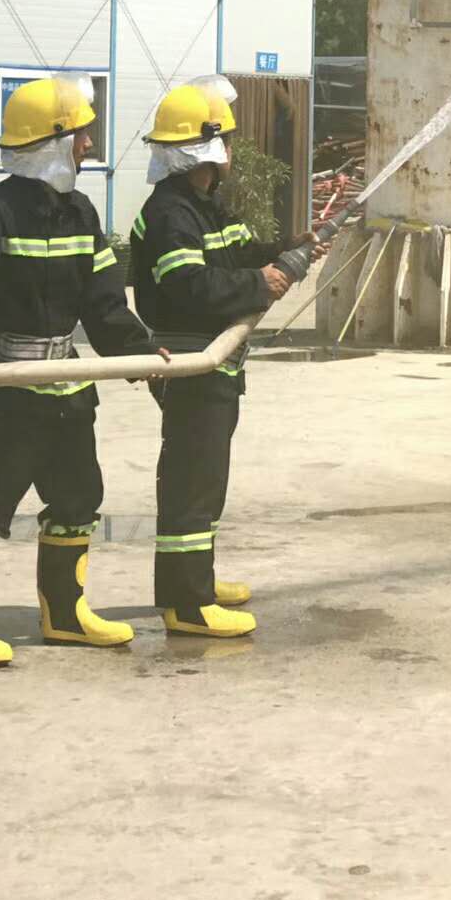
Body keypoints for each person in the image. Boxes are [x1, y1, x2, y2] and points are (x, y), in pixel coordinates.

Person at [0, 75, 165, 668]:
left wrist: (142, 353)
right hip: (10, 385)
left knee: (79, 497)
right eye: (81, 134)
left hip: (68, 383)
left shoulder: (80, 212)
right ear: (53, 139)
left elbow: (105, 303)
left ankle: (64, 615)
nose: (88, 145)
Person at [131, 75, 301, 641]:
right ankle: (187, 604)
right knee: (190, 482)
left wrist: (288, 250)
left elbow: (239, 255)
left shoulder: (204, 206)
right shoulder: (171, 215)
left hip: (213, 364)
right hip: (188, 363)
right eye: (224, 140)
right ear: (207, 149)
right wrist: (259, 283)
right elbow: (190, 287)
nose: (230, 151)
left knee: (208, 478)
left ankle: (198, 580)